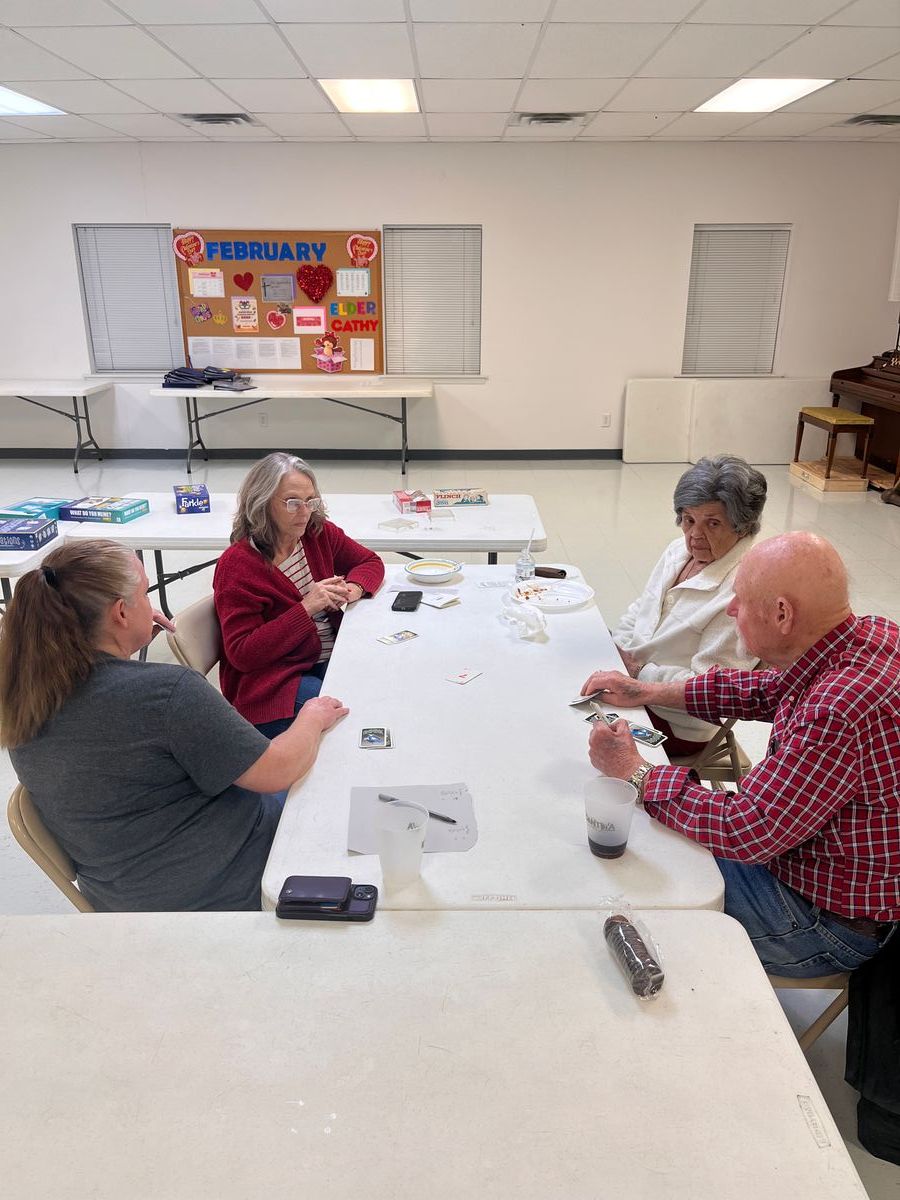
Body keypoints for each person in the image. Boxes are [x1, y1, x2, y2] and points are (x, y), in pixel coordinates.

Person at [584, 532, 900, 977]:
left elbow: (749, 828)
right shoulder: (866, 636)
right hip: (816, 870)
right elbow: (762, 690)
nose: (731, 609)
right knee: (654, 834)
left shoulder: (839, 708)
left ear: (782, 614)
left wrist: (635, 773)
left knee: (629, 872)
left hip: (825, 921)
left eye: (741, 600)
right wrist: (645, 691)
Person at [0, 540, 347, 912]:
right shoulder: (167, 693)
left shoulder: (23, 697)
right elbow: (277, 771)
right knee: (337, 783)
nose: (150, 606)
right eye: (145, 594)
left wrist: (123, 643)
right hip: (229, 889)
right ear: (120, 612)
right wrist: (313, 716)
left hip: (126, 903)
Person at [585, 455, 767, 756]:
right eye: (688, 519)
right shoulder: (677, 551)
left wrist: (638, 671)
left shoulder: (744, 588)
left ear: (742, 527)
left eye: (713, 523)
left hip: (677, 721)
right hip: (633, 685)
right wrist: (618, 654)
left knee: (568, 726)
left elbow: (711, 690)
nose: (695, 535)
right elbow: (641, 609)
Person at [214, 452, 384, 737]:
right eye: (292, 502)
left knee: (384, 681)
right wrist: (306, 608)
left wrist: (353, 588)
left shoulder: (316, 533)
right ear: (262, 503)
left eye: (311, 501)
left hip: (326, 655)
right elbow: (242, 653)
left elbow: (369, 562)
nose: (305, 512)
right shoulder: (237, 566)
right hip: (273, 681)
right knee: (354, 710)